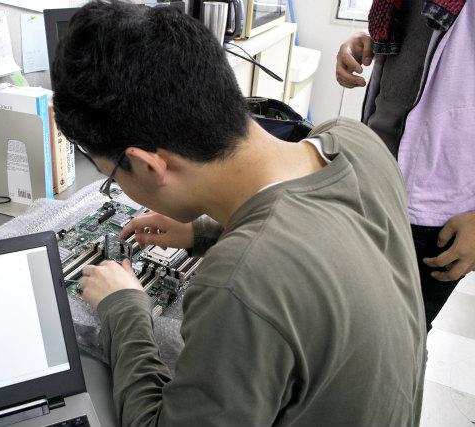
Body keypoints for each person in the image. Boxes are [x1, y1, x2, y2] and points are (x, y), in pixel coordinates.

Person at [51, 1, 426, 425]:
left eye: (113, 178)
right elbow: (315, 230)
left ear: (150, 166)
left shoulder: (239, 283)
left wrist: (124, 309)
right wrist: (204, 231)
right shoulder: (356, 141)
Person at [336, 0, 474, 332]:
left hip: (436, 214)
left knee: (394, 343)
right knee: (340, 327)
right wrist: (369, 41)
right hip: (370, 174)